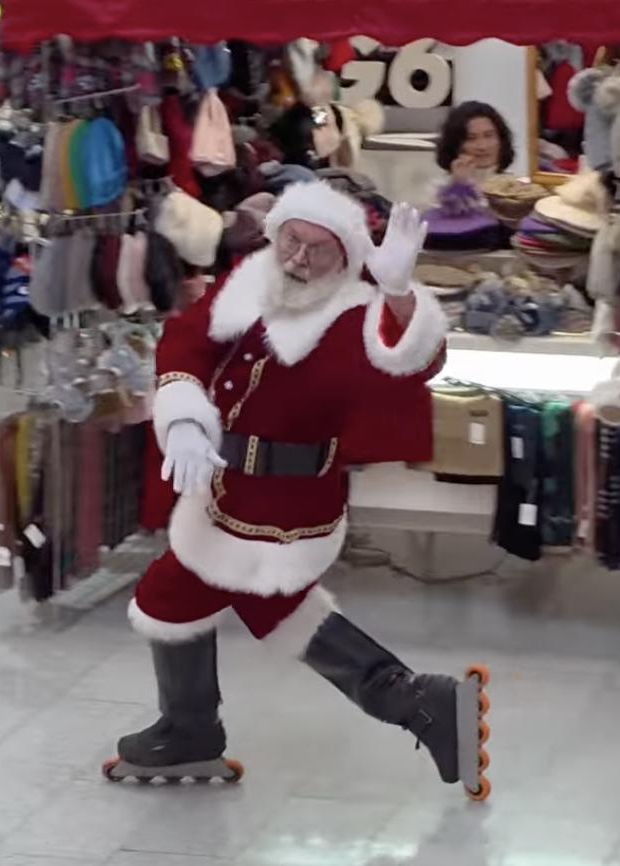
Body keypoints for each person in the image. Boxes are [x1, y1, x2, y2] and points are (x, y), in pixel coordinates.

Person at [105, 180, 491, 798]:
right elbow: (190, 338)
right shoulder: (252, 279)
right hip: (230, 485)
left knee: (174, 595)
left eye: (318, 248)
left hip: (287, 498)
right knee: (271, 608)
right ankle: (418, 702)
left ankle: (192, 730)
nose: (299, 258)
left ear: (345, 258)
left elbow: (416, 359)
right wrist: (183, 414)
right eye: (291, 240)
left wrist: (398, 293)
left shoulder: (354, 312)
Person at [436, 100, 515, 188]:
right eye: (471, 138)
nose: (482, 146)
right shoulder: (439, 189)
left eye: (488, 136)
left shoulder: (516, 188)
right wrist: (460, 185)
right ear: (456, 145)